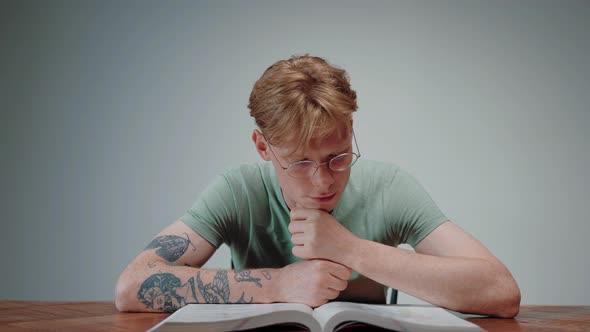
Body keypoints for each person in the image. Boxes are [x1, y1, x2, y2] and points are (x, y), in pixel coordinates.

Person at [115, 54, 521, 317]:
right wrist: (278, 285)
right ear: (262, 146)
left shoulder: (389, 187)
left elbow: (500, 291)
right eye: (300, 163)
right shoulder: (237, 191)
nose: (324, 181)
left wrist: (350, 249)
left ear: (350, 131)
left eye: (339, 157)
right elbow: (133, 286)